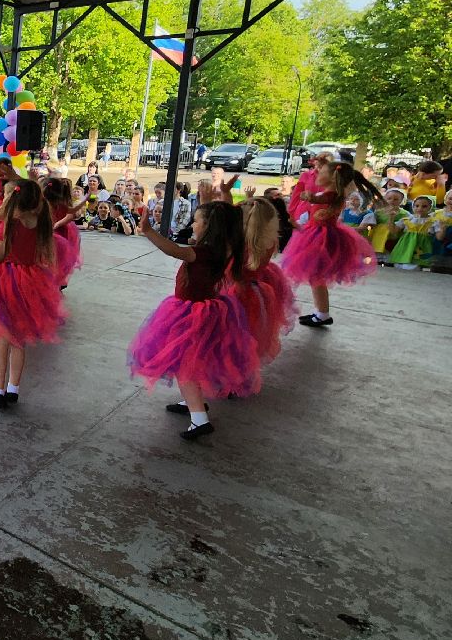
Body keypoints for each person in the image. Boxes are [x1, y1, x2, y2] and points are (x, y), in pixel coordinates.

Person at [129, 199, 260, 440]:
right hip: (210, 311)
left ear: (209, 226)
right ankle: (192, 401)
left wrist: (148, 231)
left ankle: (200, 420)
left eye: (197, 221)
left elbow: (172, 249)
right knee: (194, 361)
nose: (193, 225)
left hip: (190, 315)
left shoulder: (201, 253)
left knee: (185, 366)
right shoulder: (224, 249)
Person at [0, 178, 65, 408]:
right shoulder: (42, 222)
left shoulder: (9, 225)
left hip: (4, 282)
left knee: (1, 339)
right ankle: (13, 388)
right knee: (19, 339)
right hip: (31, 283)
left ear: (14, 201)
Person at [281, 161, 383, 327]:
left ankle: (322, 314)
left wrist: (308, 196)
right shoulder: (332, 193)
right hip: (315, 234)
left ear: (332, 177)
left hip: (320, 238)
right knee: (316, 278)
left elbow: (316, 198)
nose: (317, 176)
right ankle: (321, 312)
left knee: (316, 277)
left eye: (321, 173)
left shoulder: (331, 194)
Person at [231, 197, 296, 365]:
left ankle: (232, 367)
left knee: (231, 331)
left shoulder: (239, 244)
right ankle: (243, 366)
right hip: (257, 291)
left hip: (235, 293)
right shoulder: (268, 242)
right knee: (251, 333)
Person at [42, 177, 83, 287]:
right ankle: (54, 279)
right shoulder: (46, 202)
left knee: (58, 257)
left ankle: (57, 279)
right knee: (54, 257)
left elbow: (72, 215)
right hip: (53, 232)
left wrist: (57, 224)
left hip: (60, 233)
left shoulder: (64, 204)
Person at [387, 194, 437, 270]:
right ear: (413, 207)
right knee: (400, 265)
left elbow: (438, 236)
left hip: (421, 247)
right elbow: (394, 231)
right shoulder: (407, 219)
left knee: (416, 265)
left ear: (430, 207)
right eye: (417, 206)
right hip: (405, 246)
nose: (420, 208)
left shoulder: (433, 221)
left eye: (424, 206)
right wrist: (391, 218)